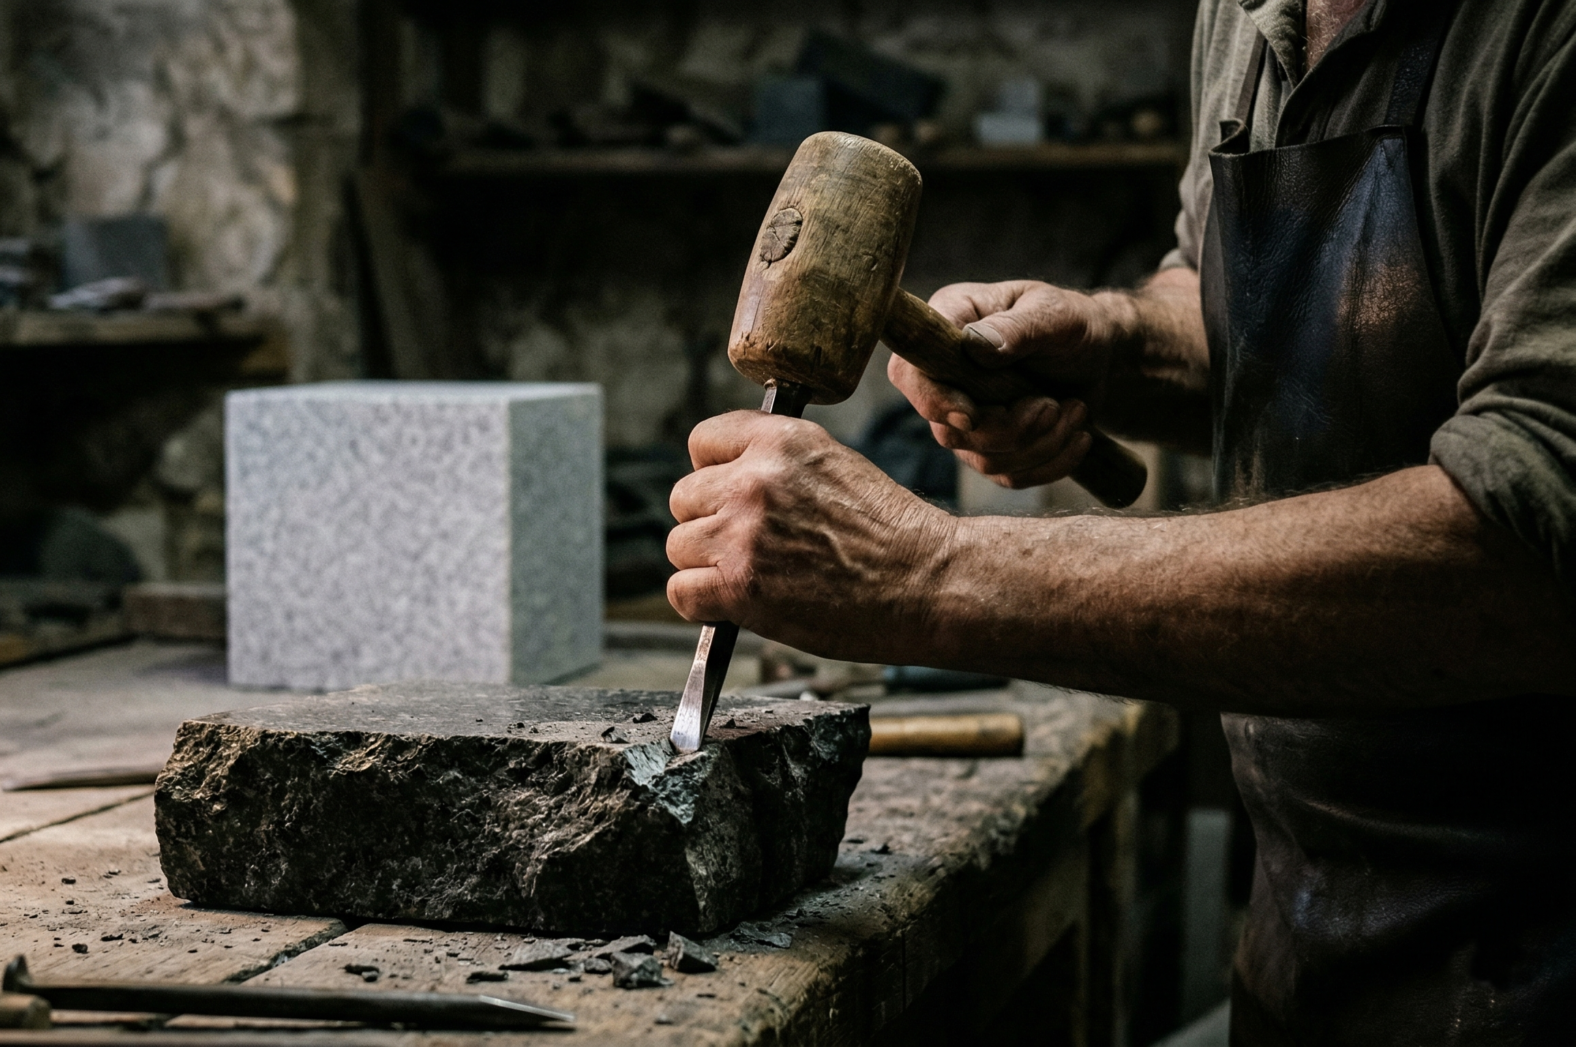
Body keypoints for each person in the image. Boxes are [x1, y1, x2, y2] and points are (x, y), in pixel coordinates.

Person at [665, 1, 1576, 1042]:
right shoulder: (1249, 12)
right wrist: (1117, 343)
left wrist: (926, 575)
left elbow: (1533, 545)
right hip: (1312, 923)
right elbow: (1233, 301)